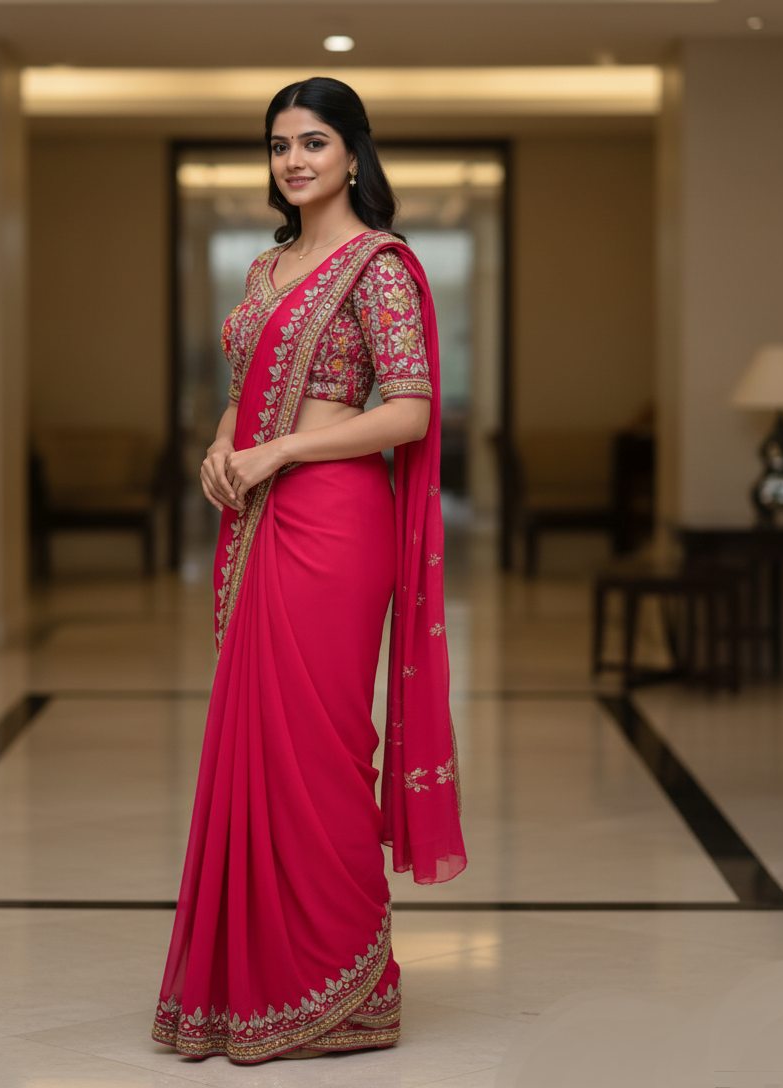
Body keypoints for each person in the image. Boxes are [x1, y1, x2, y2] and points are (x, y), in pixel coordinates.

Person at [152, 76, 466, 1065]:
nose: (293, 160)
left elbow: (408, 407)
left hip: (333, 521)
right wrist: (220, 446)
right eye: (279, 143)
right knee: (251, 740)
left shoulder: (379, 266)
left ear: (354, 154)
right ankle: (252, 985)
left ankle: (346, 986)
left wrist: (281, 452)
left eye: (314, 141)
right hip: (254, 509)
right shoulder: (263, 269)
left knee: (323, 742)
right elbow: (240, 390)